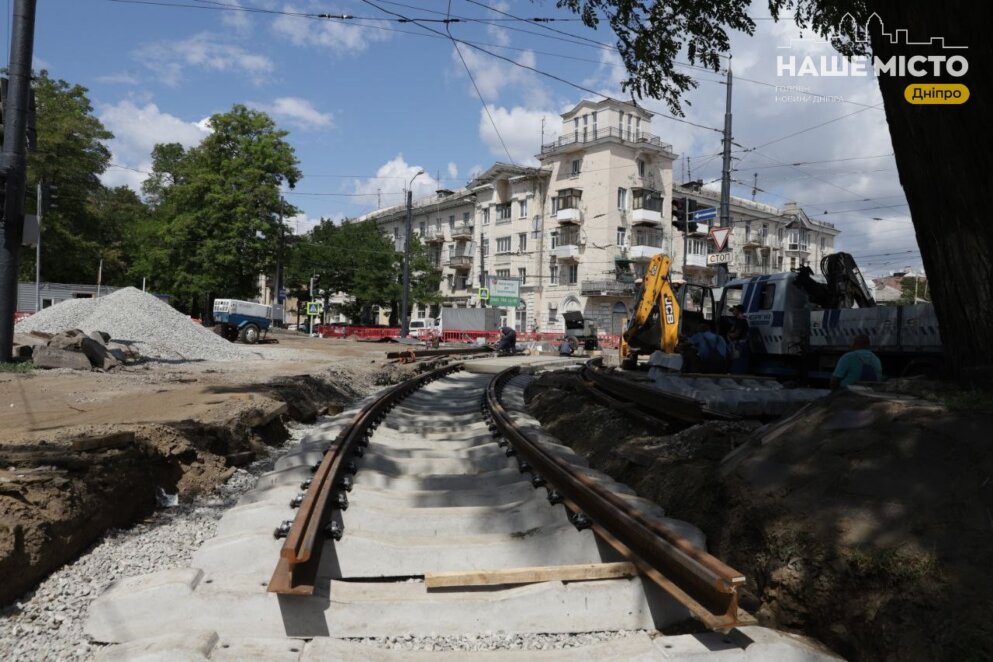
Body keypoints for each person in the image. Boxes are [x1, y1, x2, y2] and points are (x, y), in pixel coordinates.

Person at [727, 305, 751, 373]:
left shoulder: (741, 321)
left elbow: (737, 334)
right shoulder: (740, 320)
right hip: (742, 345)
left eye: (734, 310)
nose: (733, 311)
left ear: (738, 311)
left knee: (738, 365)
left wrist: (729, 335)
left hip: (739, 346)